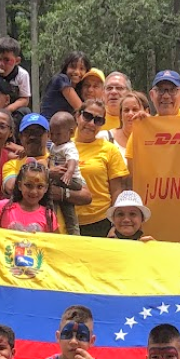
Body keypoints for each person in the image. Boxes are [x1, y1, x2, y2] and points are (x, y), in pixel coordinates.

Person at [73, 99, 130, 238]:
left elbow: (116, 191)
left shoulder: (109, 150)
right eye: (87, 116)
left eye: (98, 120)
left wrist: (114, 226)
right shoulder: (62, 147)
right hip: (68, 222)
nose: (91, 123)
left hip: (101, 223)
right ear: (77, 116)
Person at [46, 111, 86, 234]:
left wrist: (68, 173)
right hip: (61, 181)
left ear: (71, 132)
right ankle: (57, 226)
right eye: (51, 133)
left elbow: (72, 160)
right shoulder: (54, 146)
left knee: (52, 192)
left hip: (72, 180)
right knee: (67, 209)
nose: (54, 137)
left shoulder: (69, 146)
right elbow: (49, 156)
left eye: (58, 134)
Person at [41, 51, 90, 118]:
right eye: (73, 67)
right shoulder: (61, 79)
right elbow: (80, 108)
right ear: (66, 68)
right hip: (50, 124)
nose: (77, 72)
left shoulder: (79, 90)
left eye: (81, 69)